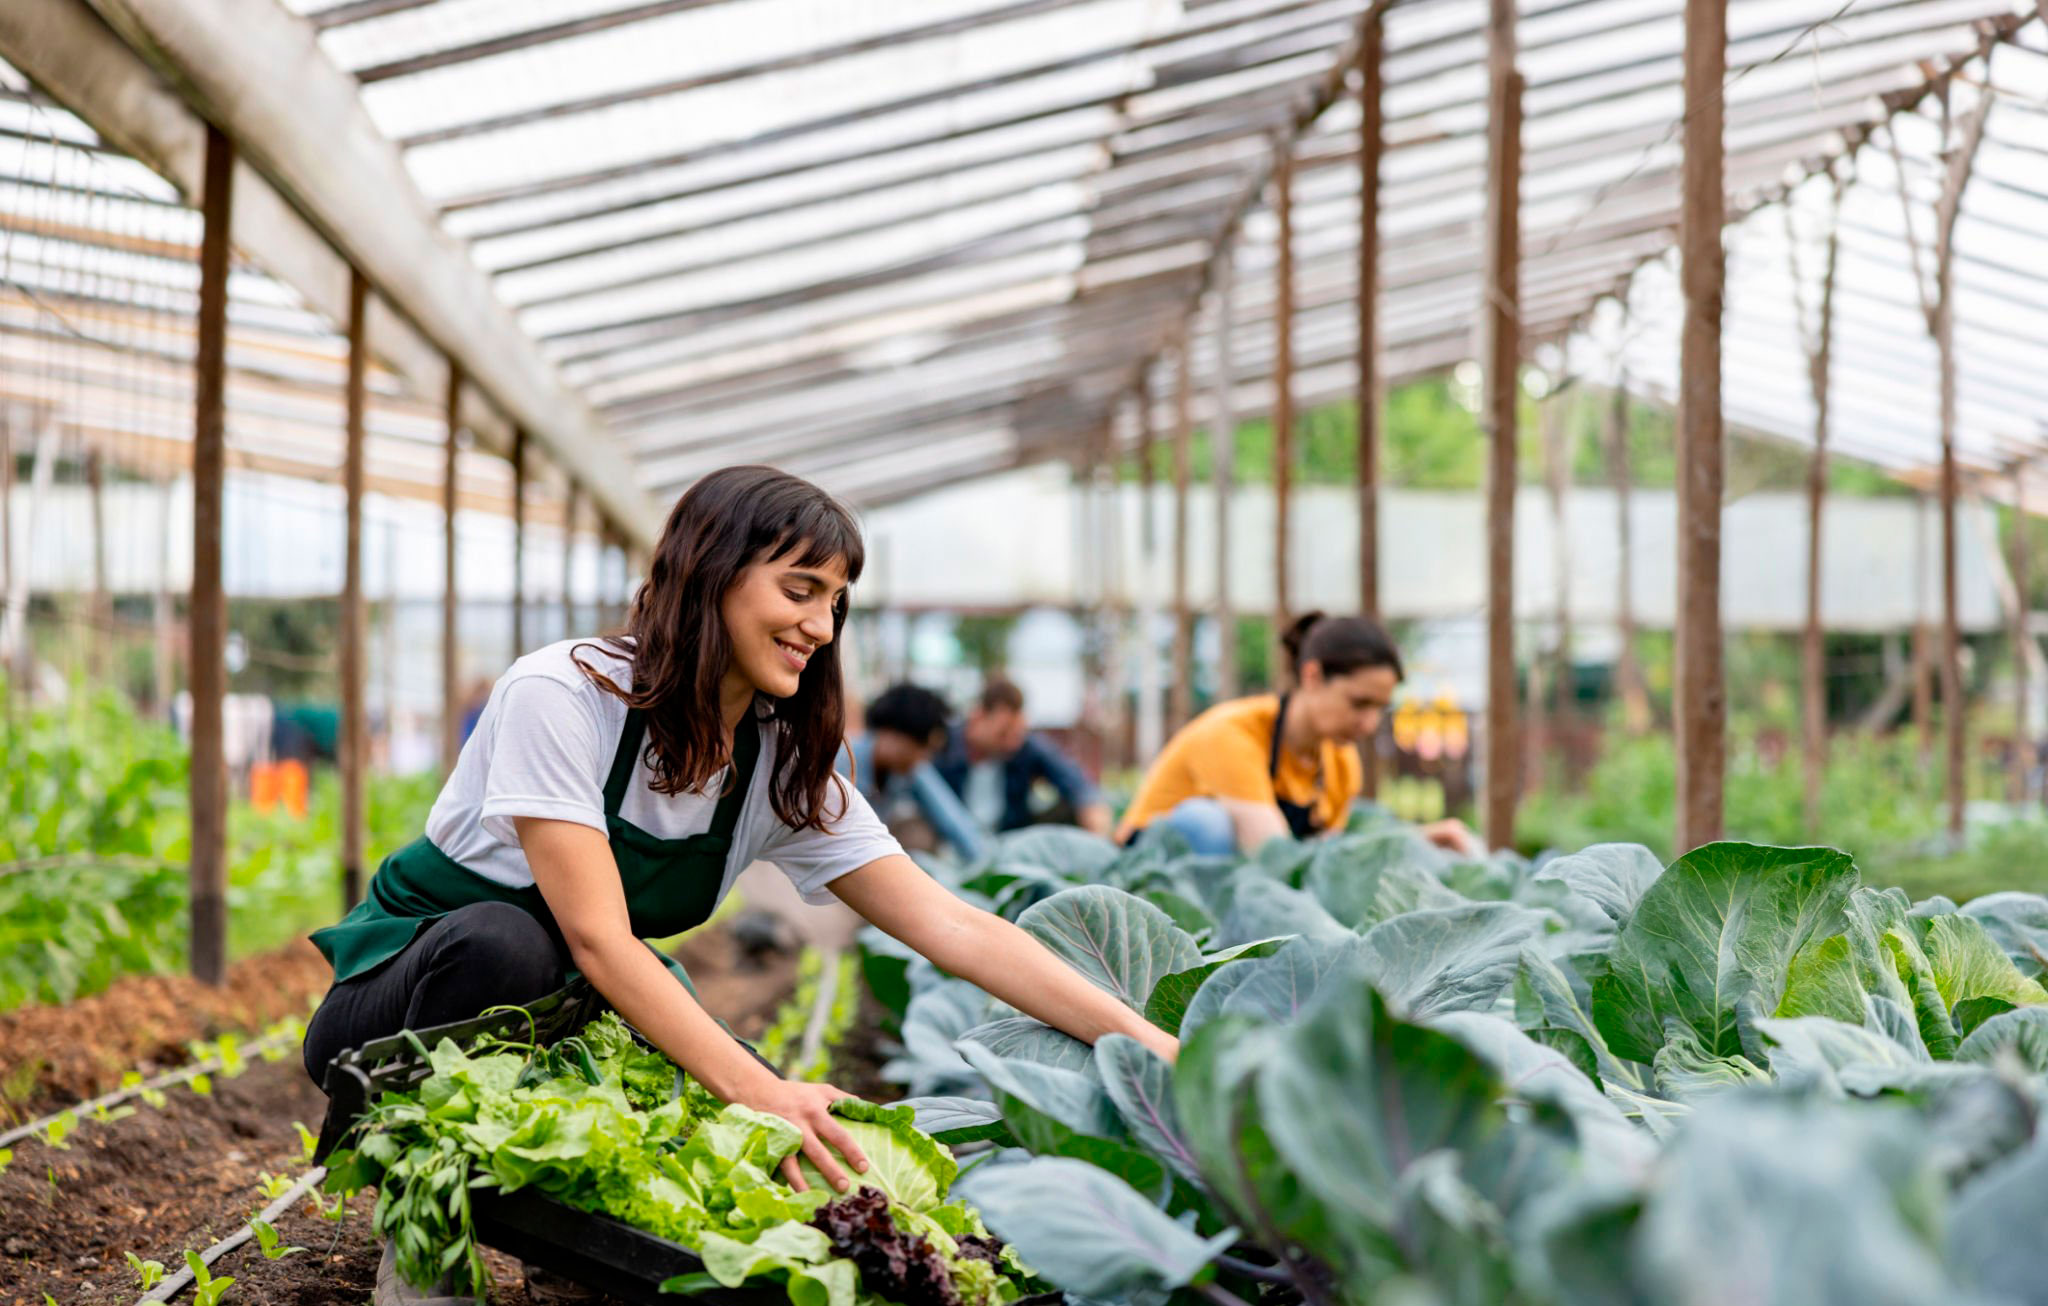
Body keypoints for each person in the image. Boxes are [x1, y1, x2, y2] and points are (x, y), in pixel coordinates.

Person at [303, 467, 1176, 1298]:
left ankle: (565, 1243)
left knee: (787, 1156)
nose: (822, 626)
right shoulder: (563, 693)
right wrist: (764, 1091)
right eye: (798, 591)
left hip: (573, 1020)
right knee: (511, 943)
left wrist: (1153, 1049)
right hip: (399, 1013)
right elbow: (600, 940)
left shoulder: (779, 764)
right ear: (708, 575)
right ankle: (423, 1235)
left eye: (836, 602)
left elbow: (956, 928)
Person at [1115, 611, 1481, 856]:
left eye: (1378, 709)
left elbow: (1324, 863)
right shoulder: (1231, 733)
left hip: (1231, 890)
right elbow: (1272, 855)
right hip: (1146, 880)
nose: (1369, 724)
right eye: (1358, 704)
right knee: (1205, 823)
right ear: (1312, 676)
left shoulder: (1339, 761)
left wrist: (1414, 843)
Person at [932, 678, 1115, 838]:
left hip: (1008, 843)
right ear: (977, 717)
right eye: (1003, 733)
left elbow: (1079, 787)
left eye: (1017, 733)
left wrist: (1098, 829)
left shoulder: (1025, 748)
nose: (1012, 743)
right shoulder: (941, 745)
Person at [840, 683, 989, 861]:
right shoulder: (840, 764)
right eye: (923, 748)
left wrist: (984, 862)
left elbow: (951, 817)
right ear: (893, 733)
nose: (924, 758)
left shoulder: (906, 770)